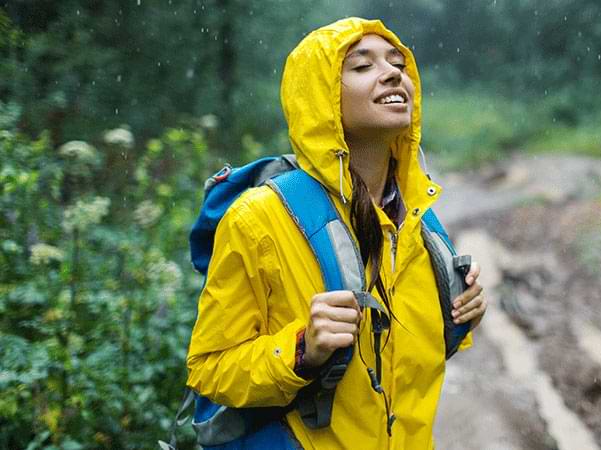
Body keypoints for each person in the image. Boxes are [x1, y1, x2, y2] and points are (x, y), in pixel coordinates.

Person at [185, 17, 487, 449]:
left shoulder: (419, 223)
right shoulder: (259, 218)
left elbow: (404, 369)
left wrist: (460, 316)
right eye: (362, 67)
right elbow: (209, 369)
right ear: (320, 100)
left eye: (398, 63)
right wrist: (302, 349)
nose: (392, 73)